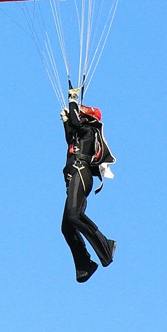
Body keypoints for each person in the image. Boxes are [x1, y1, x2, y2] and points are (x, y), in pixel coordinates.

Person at [60, 87, 117, 283]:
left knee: (74, 216)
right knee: (67, 227)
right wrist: (65, 120)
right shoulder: (77, 135)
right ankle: (85, 264)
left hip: (81, 173)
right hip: (73, 176)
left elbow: (76, 123)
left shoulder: (89, 131)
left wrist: (72, 100)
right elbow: (70, 133)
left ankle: (106, 246)